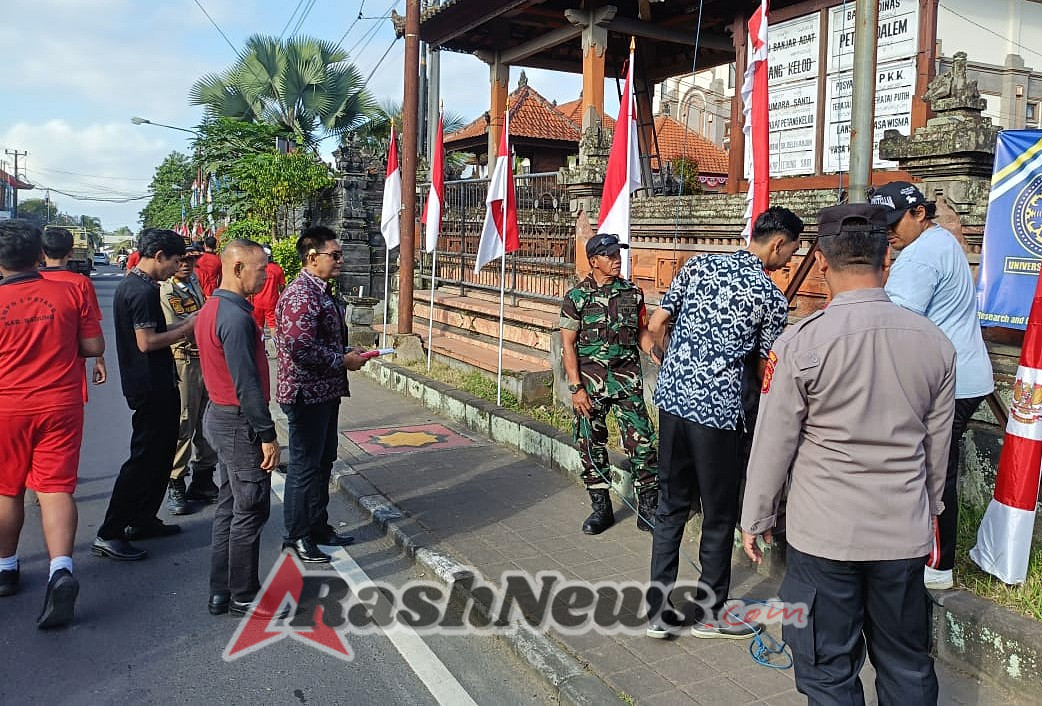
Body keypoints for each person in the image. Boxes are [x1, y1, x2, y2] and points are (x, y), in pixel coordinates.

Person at [741, 203, 955, 703]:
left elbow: (774, 443)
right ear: (887, 264)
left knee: (827, 669)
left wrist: (757, 516)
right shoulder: (936, 345)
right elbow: (937, 448)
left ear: (822, 264)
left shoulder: (800, 344)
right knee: (906, 664)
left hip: (825, 537)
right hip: (902, 532)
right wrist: (931, 511)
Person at [645, 206, 804, 640]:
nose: (789, 260)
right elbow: (764, 369)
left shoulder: (697, 265)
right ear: (777, 243)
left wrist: (670, 362)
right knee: (718, 515)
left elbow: (657, 324)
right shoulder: (769, 297)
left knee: (671, 507)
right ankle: (710, 617)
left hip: (673, 404)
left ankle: (658, 614)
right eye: (791, 250)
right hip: (718, 416)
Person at [869, 181, 995, 591]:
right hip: (959, 375)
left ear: (919, 213)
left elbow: (895, 325)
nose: (889, 231)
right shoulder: (940, 241)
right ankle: (926, 555)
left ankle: (937, 565)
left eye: (894, 222)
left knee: (933, 472)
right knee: (932, 466)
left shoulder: (920, 257)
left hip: (948, 382)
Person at [0, 219, 104, 628]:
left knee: (7, 490)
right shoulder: (66, 291)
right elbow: (93, 346)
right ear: (39, 254)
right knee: (56, 489)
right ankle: (61, 570)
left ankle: (7, 566)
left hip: (7, 406)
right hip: (61, 403)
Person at [93, 229, 195, 562]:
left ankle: (142, 518)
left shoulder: (141, 286)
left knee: (161, 454)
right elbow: (146, 342)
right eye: (175, 261)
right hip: (148, 384)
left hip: (155, 381)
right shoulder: (140, 291)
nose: (175, 269)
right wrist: (187, 328)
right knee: (143, 458)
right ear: (161, 255)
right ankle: (110, 532)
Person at [197, 240, 282, 618]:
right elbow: (246, 384)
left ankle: (222, 589)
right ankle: (244, 594)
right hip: (237, 421)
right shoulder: (234, 318)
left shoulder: (213, 309)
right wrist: (267, 435)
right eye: (259, 268)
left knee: (230, 506)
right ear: (237, 268)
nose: (265, 274)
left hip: (222, 415)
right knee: (250, 508)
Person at [275, 225, 366, 564]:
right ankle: (296, 535)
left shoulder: (321, 291)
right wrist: (341, 359)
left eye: (340, 254)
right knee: (303, 467)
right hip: (305, 393)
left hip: (325, 392)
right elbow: (300, 348)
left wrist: (344, 350)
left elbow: (320, 340)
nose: (340, 260)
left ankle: (317, 525)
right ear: (312, 258)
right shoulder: (301, 295)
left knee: (323, 461)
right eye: (335, 255)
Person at [560, 233, 659, 534]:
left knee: (643, 444)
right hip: (590, 386)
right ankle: (601, 509)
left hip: (627, 381)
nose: (617, 259)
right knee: (590, 445)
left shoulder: (633, 293)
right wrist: (576, 388)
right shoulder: (577, 298)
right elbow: (568, 346)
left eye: (618, 253)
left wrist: (655, 351)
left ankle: (649, 509)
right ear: (593, 261)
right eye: (610, 255)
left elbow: (641, 331)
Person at [160, 243, 219, 515]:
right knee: (184, 422)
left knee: (207, 422)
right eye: (182, 260)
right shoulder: (167, 289)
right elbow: (178, 325)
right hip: (183, 359)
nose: (187, 264)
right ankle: (176, 481)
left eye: (192, 260)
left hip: (203, 358)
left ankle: (204, 478)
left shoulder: (193, 282)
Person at [39, 226, 107, 388]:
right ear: (70, 252)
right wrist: (99, 359)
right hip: (70, 365)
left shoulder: (28, 282)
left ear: (42, 252)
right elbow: (93, 324)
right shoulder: (80, 283)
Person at [251, 245, 286, 339]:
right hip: (272, 301)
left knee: (259, 325)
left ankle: (260, 347)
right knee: (272, 324)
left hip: (257, 301)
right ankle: (275, 346)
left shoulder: (257, 268)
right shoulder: (277, 269)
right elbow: (282, 286)